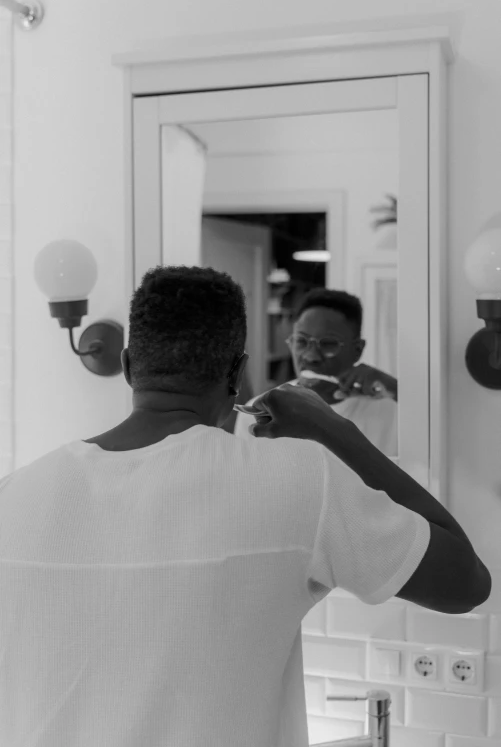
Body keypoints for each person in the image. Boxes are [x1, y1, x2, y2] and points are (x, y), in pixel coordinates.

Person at [0, 265, 490, 747]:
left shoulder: (12, 496)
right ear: (237, 372)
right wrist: (335, 430)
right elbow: (465, 584)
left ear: (128, 366)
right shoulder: (298, 480)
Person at [234, 288, 399, 456]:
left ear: (357, 350)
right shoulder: (257, 413)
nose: (311, 356)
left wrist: (397, 389)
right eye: (301, 341)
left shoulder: (392, 413)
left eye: (328, 344)